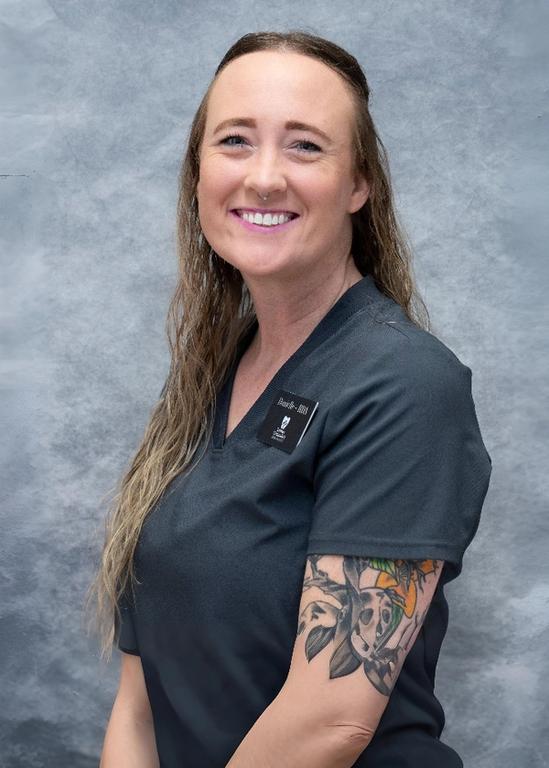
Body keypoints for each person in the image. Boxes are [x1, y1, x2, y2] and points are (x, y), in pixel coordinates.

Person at [89, 30, 492, 768]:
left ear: (359, 184)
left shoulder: (402, 384)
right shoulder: (209, 382)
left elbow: (330, 723)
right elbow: (140, 704)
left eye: (305, 146)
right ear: (198, 171)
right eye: (235, 141)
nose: (265, 177)